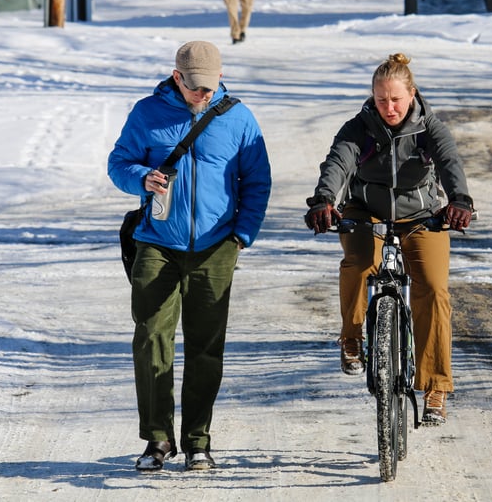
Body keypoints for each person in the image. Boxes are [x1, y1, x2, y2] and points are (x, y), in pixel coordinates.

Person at [108, 41, 272, 471]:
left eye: (210, 85)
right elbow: (118, 163)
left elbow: (258, 181)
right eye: (195, 86)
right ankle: (157, 438)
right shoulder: (147, 113)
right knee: (150, 338)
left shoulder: (238, 117)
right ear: (177, 77)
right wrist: (142, 178)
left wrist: (242, 234)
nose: (203, 94)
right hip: (157, 243)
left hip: (217, 248)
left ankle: (198, 440)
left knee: (205, 346)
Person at [304, 53, 473, 425]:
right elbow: (337, 164)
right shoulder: (358, 128)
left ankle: (435, 387)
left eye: (396, 99)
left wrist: (459, 199)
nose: (389, 107)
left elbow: (449, 164)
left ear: (411, 94)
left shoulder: (430, 128)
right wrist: (324, 200)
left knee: (432, 288)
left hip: (421, 215)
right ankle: (351, 338)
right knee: (359, 263)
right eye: (381, 100)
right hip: (366, 210)